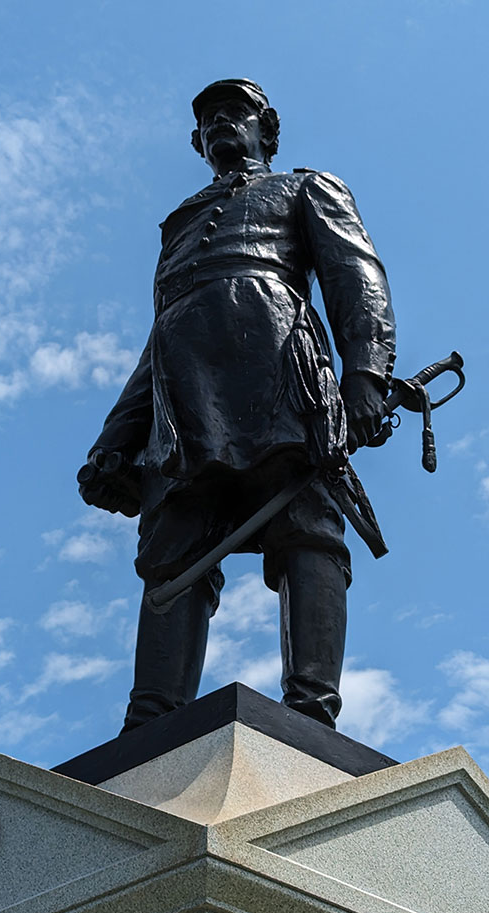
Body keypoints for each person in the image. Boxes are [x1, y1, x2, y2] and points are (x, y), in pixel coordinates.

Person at [79, 79, 396, 732]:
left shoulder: (307, 187)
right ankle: (149, 724)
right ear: (198, 143)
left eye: (236, 113)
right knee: (172, 547)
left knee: (306, 526)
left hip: (279, 368)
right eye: (210, 120)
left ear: (265, 127)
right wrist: (117, 437)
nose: (223, 123)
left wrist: (366, 371)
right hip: (183, 398)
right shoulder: (180, 224)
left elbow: (355, 273)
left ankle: (311, 710)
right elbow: (161, 335)